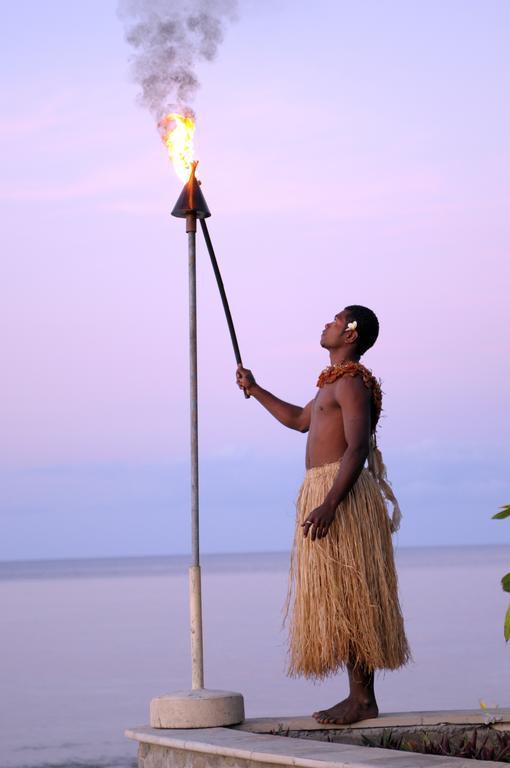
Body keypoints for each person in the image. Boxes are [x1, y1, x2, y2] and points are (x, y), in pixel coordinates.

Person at [236, 305, 410, 725]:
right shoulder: (331, 384)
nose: (326, 324)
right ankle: (358, 696)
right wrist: (256, 390)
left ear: (350, 335)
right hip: (327, 490)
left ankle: (362, 700)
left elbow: (357, 447)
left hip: (342, 493)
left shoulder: (351, 382)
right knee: (340, 594)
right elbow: (299, 420)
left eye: (334, 320)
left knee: (353, 592)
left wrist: (331, 502)